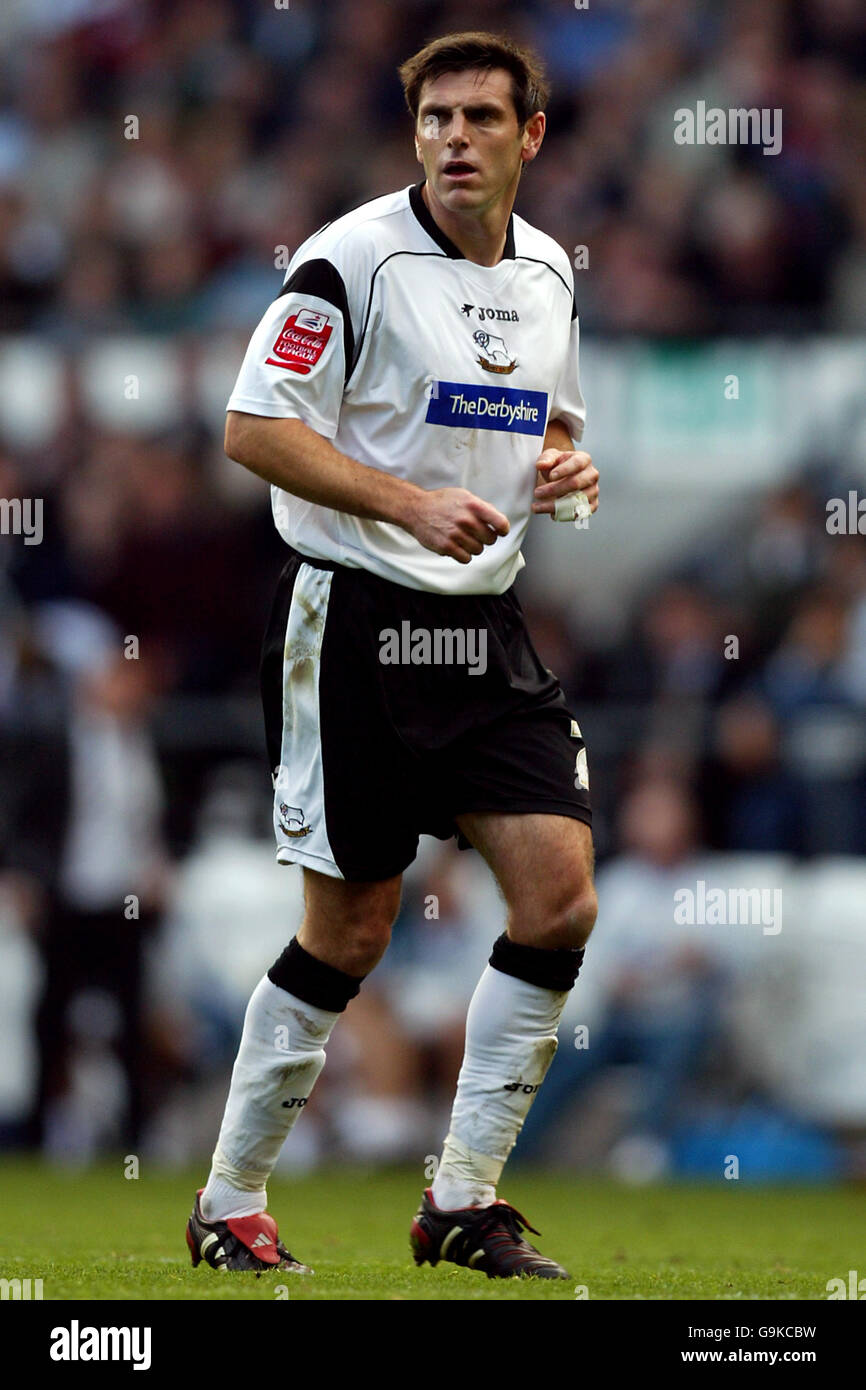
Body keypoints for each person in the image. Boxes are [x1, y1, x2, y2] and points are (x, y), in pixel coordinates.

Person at [186, 30, 600, 1282]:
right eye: (435, 120)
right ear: (411, 132)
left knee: (559, 899)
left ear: (530, 136)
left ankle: (460, 1198)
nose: (455, 140)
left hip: (483, 630)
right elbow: (253, 430)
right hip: (354, 623)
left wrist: (569, 475)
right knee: (352, 930)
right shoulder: (346, 262)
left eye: (480, 118)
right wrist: (401, 503)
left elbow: (550, 427)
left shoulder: (544, 274)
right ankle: (228, 1197)